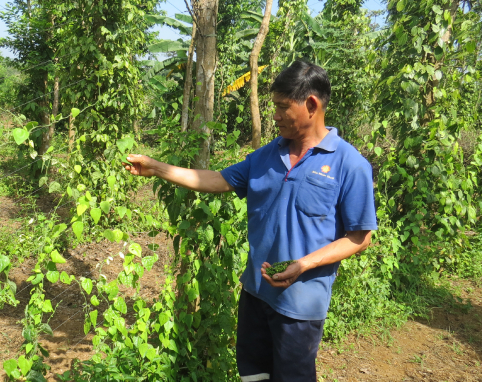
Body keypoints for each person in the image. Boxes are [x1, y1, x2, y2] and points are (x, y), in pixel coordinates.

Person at [123, 60, 377, 382]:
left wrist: (304, 264)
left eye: (284, 107)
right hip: (255, 295)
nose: (275, 116)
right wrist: (157, 168)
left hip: (300, 308)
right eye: (274, 106)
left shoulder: (349, 165)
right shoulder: (267, 155)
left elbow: (359, 237)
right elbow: (217, 180)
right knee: (253, 376)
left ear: (311, 105)